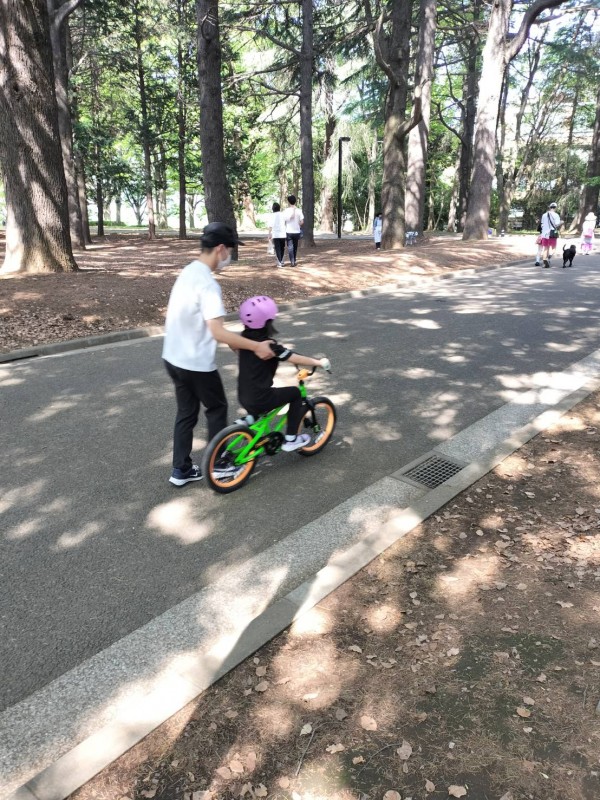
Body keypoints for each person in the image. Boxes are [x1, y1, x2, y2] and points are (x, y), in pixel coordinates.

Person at [162, 222, 274, 486]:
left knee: (186, 414)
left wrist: (235, 343)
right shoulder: (208, 285)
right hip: (196, 364)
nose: (229, 258)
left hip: (172, 358)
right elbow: (217, 331)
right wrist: (256, 346)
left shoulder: (189, 271)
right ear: (221, 249)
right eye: (230, 252)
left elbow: (201, 322)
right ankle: (222, 464)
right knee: (217, 408)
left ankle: (181, 470)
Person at [237, 295, 330, 451]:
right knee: (294, 393)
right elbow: (293, 357)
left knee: (256, 391)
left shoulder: (245, 340)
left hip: (243, 396)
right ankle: (291, 439)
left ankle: (249, 419)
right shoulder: (269, 346)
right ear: (267, 323)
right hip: (260, 398)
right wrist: (318, 362)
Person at [539, 202, 562, 268]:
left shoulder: (544, 215)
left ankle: (544, 261)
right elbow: (557, 224)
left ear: (549, 207)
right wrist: (561, 222)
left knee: (545, 248)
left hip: (544, 234)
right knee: (554, 248)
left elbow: (542, 224)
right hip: (552, 233)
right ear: (555, 208)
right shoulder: (556, 215)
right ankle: (549, 257)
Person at [283, 194, 304, 267]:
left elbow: (284, 220)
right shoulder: (299, 210)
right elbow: (302, 222)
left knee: (290, 247)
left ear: (289, 202)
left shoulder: (286, 210)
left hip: (288, 231)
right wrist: (299, 224)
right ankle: (294, 260)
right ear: (295, 201)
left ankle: (292, 261)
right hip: (297, 231)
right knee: (295, 246)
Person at [268, 202, 287, 268]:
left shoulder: (272, 215)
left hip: (275, 234)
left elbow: (270, 226)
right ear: (279, 208)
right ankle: (282, 261)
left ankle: (279, 262)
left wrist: (269, 233)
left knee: (277, 248)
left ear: (273, 208)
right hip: (283, 234)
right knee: (282, 248)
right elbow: (285, 222)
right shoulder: (283, 214)